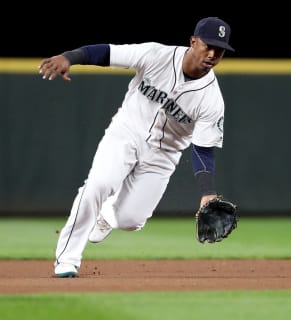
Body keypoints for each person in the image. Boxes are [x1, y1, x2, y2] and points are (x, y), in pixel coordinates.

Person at [38, 17, 234, 278]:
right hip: (126, 133)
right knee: (98, 184)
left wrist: (207, 193)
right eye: (208, 45)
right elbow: (109, 52)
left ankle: (106, 213)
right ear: (193, 41)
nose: (212, 54)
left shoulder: (212, 100)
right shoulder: (157, 55)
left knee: (131, 220)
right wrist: (69, 57)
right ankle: (67, 259)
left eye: (219, 50)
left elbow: (202, 149)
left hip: (164, 155)